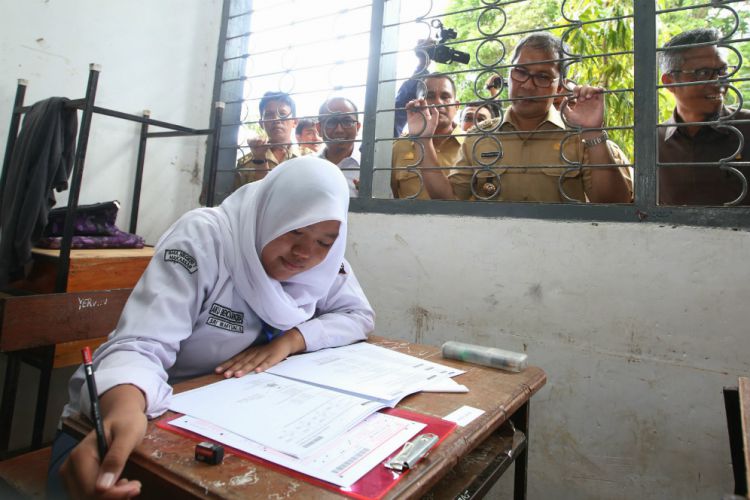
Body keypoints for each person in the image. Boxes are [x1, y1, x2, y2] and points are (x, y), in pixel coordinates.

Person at [50, 157, 375, 498]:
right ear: (270, 210)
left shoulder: (322, 266)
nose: (305, 253)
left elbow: (357, 315)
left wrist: (291, 340)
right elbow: (143, 342)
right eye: (295, 229)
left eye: (325, 241)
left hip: (236, 426)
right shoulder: (205, 238)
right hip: (140, 419)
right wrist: (126, 407)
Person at [414, 33, 633, 203]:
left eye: (543, 76)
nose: (528, 85)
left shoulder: (580, 138)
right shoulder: (479, 137)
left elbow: (615, 204)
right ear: (508, 74)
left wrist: (593, 132)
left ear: (560, 86)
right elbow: (448, 198)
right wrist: (423, 141)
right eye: (520, 71)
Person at [658, 28, 750, 205]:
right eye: (703, 72)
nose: (719, 81)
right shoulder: (654, 142)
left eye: (723, 70)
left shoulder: (747, 127)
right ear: (669, 82)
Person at [391, 73, 463, 199]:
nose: (438, 102)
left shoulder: (471, 144)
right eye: (430, 96)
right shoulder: (399, 147)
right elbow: (394, 194)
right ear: (420, 102)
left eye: (445, 96)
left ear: (456, 105)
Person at [234, 91, 300, 188]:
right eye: (269, 115)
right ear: (261, 123)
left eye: (282, 114)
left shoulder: (309, 157)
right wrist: (259, 160)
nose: (276, 119)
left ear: (295, 122)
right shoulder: (246, 164)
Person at [317, 97, 361, 197]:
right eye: (331, 122)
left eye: (347, 121)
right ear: (318, 128)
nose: (339, 130)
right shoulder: (308, 166)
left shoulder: (373, 170)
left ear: (357, 127)